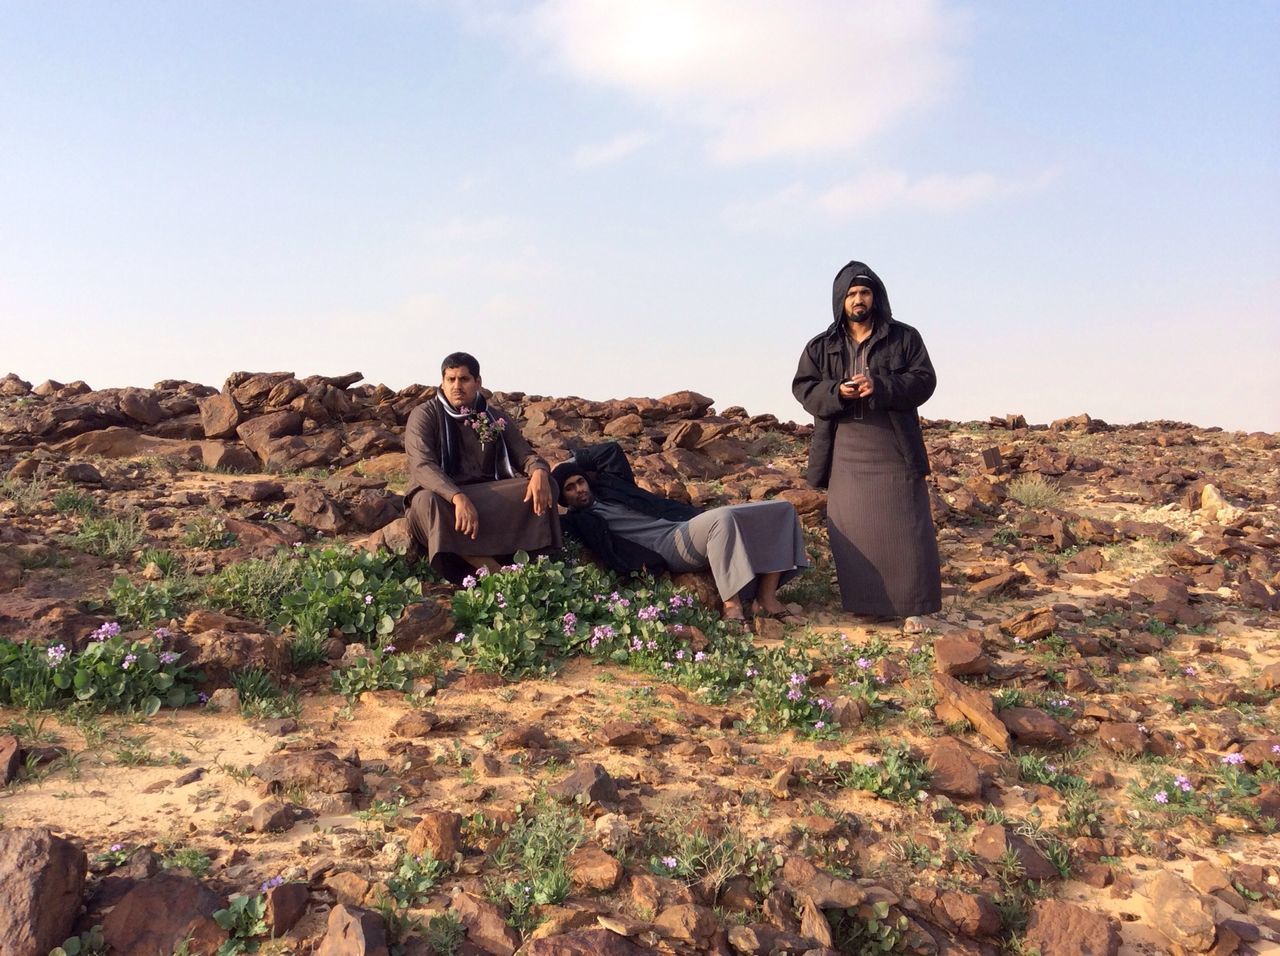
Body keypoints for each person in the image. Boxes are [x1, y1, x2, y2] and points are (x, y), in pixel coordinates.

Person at [792, 260, 941, 620]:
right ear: (840, 300)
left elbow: (925, 381)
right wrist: (837, 391)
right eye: (852, 294)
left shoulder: (904, 338)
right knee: (854, 527)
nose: (859, 300)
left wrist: (882, 385)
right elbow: (803, 388)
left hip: (893, 445)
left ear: (876, 296)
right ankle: (866, 606)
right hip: (845, 448)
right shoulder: (821, 346)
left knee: (907, 527)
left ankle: (913, 608)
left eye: (865, 292)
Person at [550, 442, 809, 624]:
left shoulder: (612, 486)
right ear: (563, 498)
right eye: (570, 488)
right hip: (668, 546)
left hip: (684, 523)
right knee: (723, 518)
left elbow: (610, 451)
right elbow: (549, 520)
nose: (579, 489)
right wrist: (547, 482)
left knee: (781, 509)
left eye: (580, 481)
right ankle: (732, 606)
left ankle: (766, 597)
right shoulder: (580, 520)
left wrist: (568, 463)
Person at [404, 352, 560, 581]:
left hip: (483, 493)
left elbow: (525, 455)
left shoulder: (493, 417)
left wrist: (538, 471)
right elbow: (422, 465)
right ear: (442, 382)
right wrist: (456, 497)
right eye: (451, 379)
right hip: (442, 496)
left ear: (478, 382)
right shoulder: (424, 414)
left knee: (547, 485)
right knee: (429, 502)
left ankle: (528, 561)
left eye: (464, 379)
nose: (457, 386)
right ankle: (491, 570)